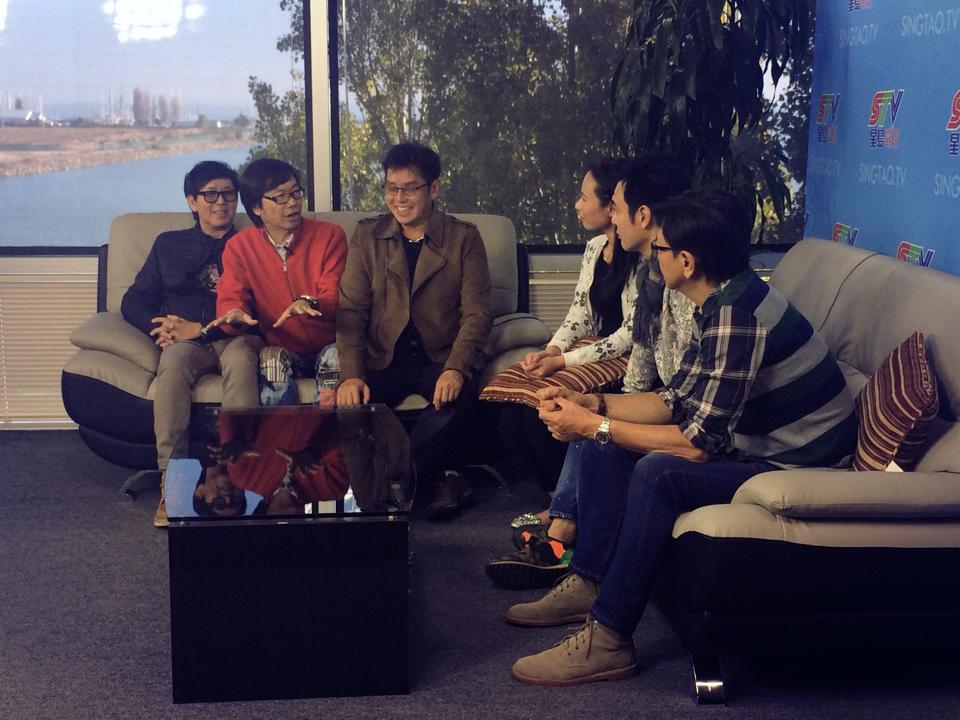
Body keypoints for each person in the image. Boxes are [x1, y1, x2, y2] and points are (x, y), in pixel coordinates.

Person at [506, 190, 858, 686]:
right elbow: (676, 398)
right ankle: (589, 582)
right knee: (602, 444)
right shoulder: (720, 300)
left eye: (661, 248)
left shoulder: (737, 317)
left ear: (687, 262)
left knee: (658, 472)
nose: (654, 256)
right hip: (760, 444)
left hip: (797, 464)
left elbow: (697, 444)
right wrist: (593, 405)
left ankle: (609, 639)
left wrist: (594, 425)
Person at [487, 155, 694, 588]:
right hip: (647, 384)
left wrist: (578, 381)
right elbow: (590, 320)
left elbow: (638, 349)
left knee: (593, 428)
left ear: (641, 215)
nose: (610, 217)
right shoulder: (649, 271)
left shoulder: (682, 285)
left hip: (640, 378)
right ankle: (565, 517)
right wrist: (555, 353)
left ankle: (562, 533)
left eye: (612, 206)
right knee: (528, 414)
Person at [336, 142, 493, 520]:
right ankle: (432, 481)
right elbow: (351, 311)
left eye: (409, 189)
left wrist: (456, 368)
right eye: (391, 188)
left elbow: (477, 314)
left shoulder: (464, 238)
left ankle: (399, 483)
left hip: (438, 357)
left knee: (458, 398)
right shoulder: (368, 236)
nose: (398, 198)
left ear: (433, 188)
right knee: (350, 408)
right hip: (383, 358)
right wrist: (351, 374)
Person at [121, 160, 262, 528]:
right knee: (172, 364)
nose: (221, 202)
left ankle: (239, 473)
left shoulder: (253, 244)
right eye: (210, 195)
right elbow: (134, 300)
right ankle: (173, 483)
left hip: (234, 337)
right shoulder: (169, 245)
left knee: (243, 361)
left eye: (228, 194)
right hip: (186, 344)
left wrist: (201, 328)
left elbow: (262, 306)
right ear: (191, 201)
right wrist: (160, 328)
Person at [207, 158, 347, 405]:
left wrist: (309, 303)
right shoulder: (240, 247)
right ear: (256, 207)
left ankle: (331, 430)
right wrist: (234, 314)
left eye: (295, 193)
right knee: (271, 361)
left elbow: (334, 294)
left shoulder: (330, 235)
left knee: (334, 359)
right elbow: (231, 295)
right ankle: (282, 432)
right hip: (283, 346)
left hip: (331, 341)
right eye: (281, 197)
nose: (293, 203)